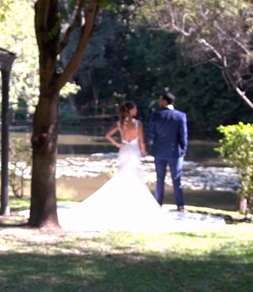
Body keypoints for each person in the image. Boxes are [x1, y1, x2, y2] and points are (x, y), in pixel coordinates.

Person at [58, 101, 171, 232]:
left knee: (123, 175)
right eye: (135, 108)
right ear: (130, 110)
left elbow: (108, 135)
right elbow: (142, 140)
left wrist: (117, 144)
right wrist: (144, 151)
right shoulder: (137, 124)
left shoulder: (120, 123)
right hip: (134, 151)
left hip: (123, 150)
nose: (136, 110)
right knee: (135, 176)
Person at [146, 91, 188, 211]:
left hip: (159, 152)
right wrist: (184, 149)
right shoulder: (181, 116)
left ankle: (158, 204)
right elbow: (183, 135)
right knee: (177, 180)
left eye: (160, 100)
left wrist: (144, 145)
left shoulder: (156, 115)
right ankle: (180, 206)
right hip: (175, 152)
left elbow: (150, 132)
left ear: (165, 101)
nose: (159, 102)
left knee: (160, 179)